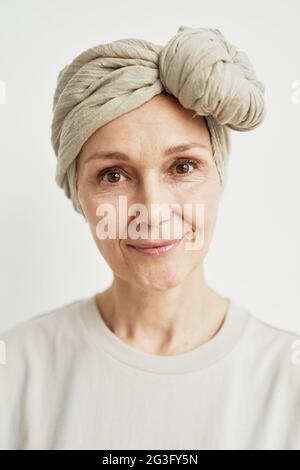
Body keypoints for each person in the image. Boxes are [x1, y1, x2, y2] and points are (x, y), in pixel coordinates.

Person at [0, 25, 299, 450]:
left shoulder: (287, 382)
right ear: (78, 195)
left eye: (182, 167)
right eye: (114, 175)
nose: (153, 212)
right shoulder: (14, 373)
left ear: (219, 177)